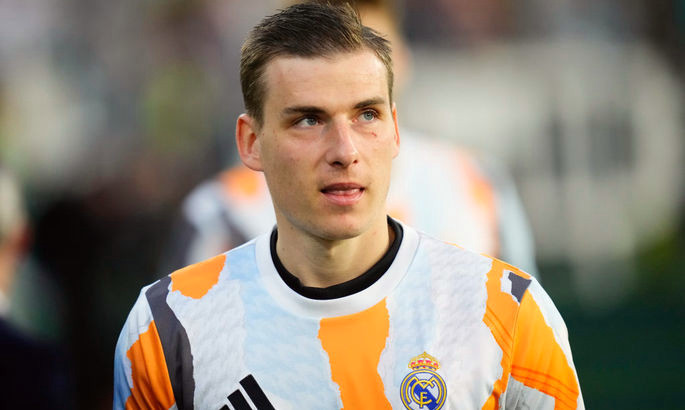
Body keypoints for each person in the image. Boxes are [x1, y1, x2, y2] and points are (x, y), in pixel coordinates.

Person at [114, 3, 583, 409]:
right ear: (251, 142)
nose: (345, 150)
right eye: (309, 120)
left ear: (394, 129)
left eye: (367, 115)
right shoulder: (170, 326)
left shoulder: (510, 310)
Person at [161, 0, 539, 278]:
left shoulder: (477, 185)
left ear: (402, 57)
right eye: (309, 119)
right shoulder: (225, 212)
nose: (344, 150)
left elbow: (518, 326)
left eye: (370, 44)